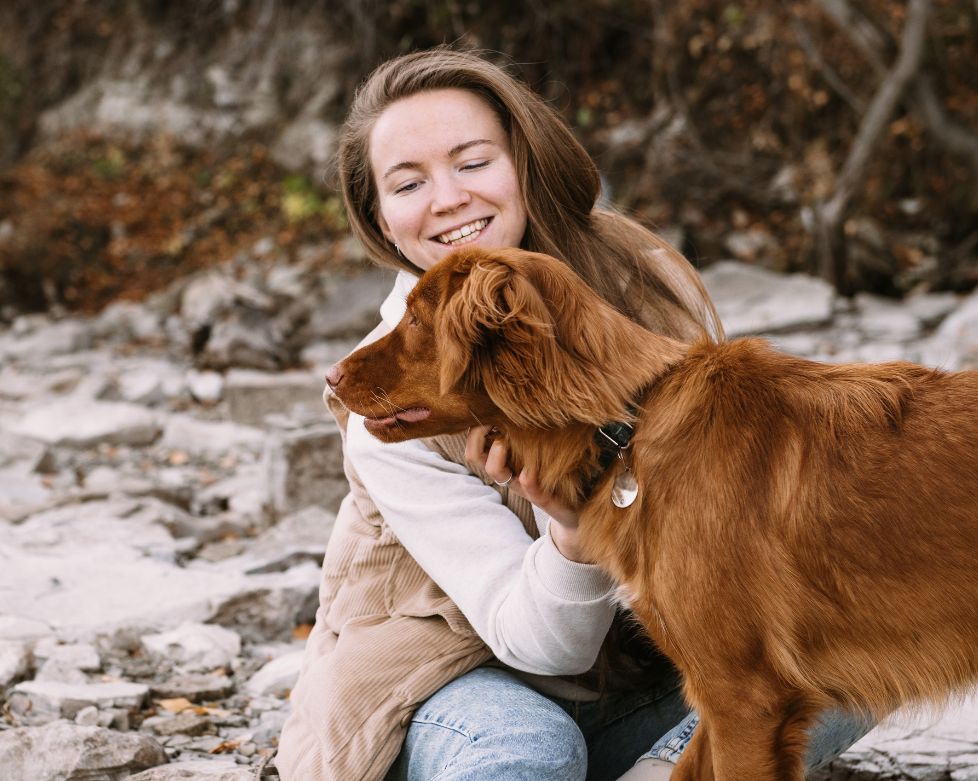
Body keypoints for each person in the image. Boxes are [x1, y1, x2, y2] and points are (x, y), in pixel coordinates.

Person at [273, 47, 871, 781]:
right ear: (381, 220)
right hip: (446, 683)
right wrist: (572, 529)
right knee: (530, 753)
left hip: (632, 674)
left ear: (524, 162)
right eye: (407, 183)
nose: (449, 197)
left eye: (472, 161)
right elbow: (541, 647)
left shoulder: (634, 278)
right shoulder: (385, 394)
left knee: (855, 638)